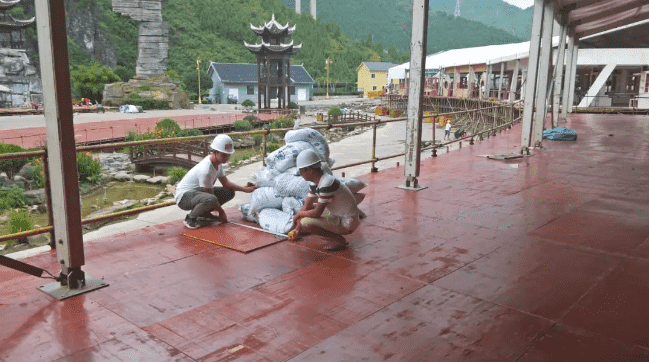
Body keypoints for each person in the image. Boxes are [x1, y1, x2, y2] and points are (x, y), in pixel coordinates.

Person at [174, 134, 257, 229]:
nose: (227, 158)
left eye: (228, 155)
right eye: (224, 154)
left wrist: (245, 189)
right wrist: (221, 212)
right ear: (216, 152)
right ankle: (190, 218)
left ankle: (204, 214)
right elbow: (210, 196)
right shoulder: (206, 169)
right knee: (211, 199)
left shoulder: (218, 164)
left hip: (196, 194)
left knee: (229, 191)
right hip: (183, 198)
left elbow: (226, 183)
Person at [288, 149, 361, 251]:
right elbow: (306, 206)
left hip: (347, 221)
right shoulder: (315, 182)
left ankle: (338, 240)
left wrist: (298, 216)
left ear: (310, 170)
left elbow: (317, 213)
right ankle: (333, 234)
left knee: (306, 223)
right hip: (337, 214)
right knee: (306, 212)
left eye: (301, 171)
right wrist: (297, 229)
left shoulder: (327, 184)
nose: (301, 174)